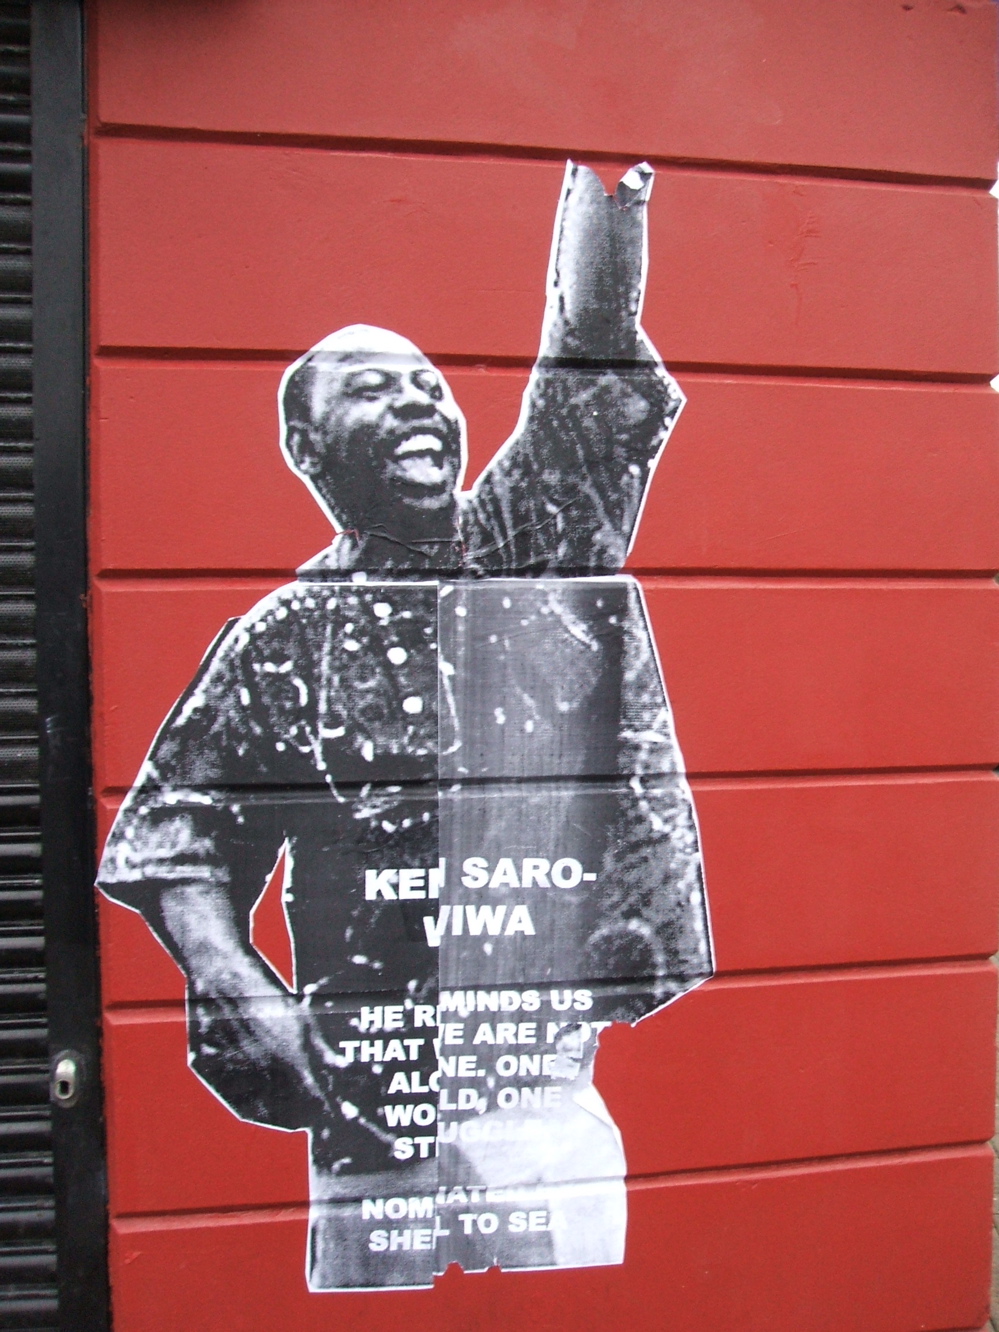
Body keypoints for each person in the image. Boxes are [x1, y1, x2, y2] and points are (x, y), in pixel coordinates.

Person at [97, 161, 713, 1291]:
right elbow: (179, 839)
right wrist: (236, 985)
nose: (417, 400)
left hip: (535, 1087)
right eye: (370, 390)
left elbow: (589, 346)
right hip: (364, 1099)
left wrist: (609, 183)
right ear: (308, 448)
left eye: (428, 383)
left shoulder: (527, 541)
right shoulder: (281, 637)